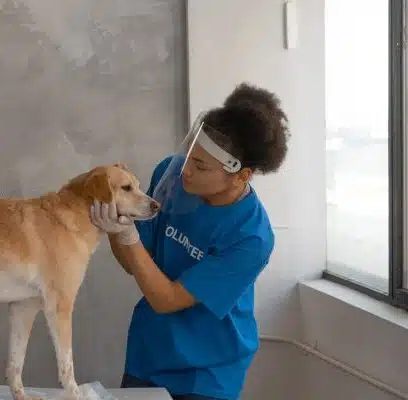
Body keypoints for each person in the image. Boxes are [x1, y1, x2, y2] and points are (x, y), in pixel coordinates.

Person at [90, 83, 289, 400]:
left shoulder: (251, 237)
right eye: (189, 154)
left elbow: (167, 299)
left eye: (201, 166)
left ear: (241, 175)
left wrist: (126, 235)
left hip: (208, 372)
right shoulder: (170, 176)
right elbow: (134, 264)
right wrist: (117, 225)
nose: (186, 170)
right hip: (150, 353)